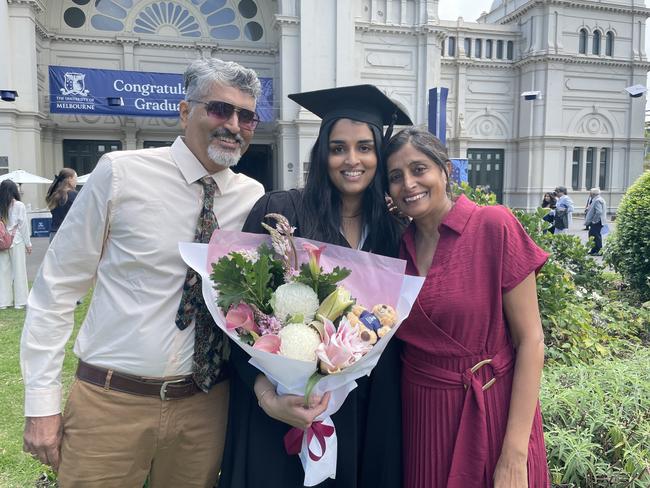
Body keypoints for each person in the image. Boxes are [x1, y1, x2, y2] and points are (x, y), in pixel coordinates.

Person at [20, 58, 265, 487]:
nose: (234, 125)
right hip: (111, 403)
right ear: (185, 111)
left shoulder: (253, 198)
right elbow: (56, 288)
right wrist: (42, 404)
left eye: (246, 115)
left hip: (206, 407)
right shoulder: (121, 174)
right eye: (220, 110)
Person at [219, 84, 411, 488]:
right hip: (282, 409)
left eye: (364, 147)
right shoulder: (281, 212)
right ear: (322, 153)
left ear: (380, 155)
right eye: (338, 147)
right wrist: (265, 393)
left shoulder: (393, 231)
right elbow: (235, 314)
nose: (351, 160)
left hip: (364, 408)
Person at [384, 127, 550, 488]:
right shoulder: (399, 247)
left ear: (445, 170)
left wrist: (515, 452)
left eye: (419, 169)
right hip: (424, 417)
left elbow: (532, 340)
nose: (408, 183)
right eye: (396, 177)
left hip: (491, 406)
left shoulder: (493, 224)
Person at [0, 179, 32, 309]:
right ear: (14, 190)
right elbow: (23, 226)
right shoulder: (19, 205)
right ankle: (20, 302)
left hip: (2, 241)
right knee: (19, 271)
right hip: (16, 240)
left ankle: (3, 302)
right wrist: (28, 244)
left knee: (3, 273)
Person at [46, 168, 78, 242]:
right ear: (70, 179)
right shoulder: (73, 195)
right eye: (75, 178)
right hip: (68, 234)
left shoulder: (54, 195)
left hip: (54, 233)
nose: (76, 181)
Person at [585, 187, 607, 255]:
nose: (589, 194)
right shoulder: (598, 199)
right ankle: (594, 250)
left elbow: (599, 212)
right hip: (598, 221)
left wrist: (594, 220)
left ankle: (598, 250)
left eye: (590, 193)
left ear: (593, 194)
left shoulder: (597, 200)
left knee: (596, 236)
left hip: (597, 221)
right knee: (593, 235)